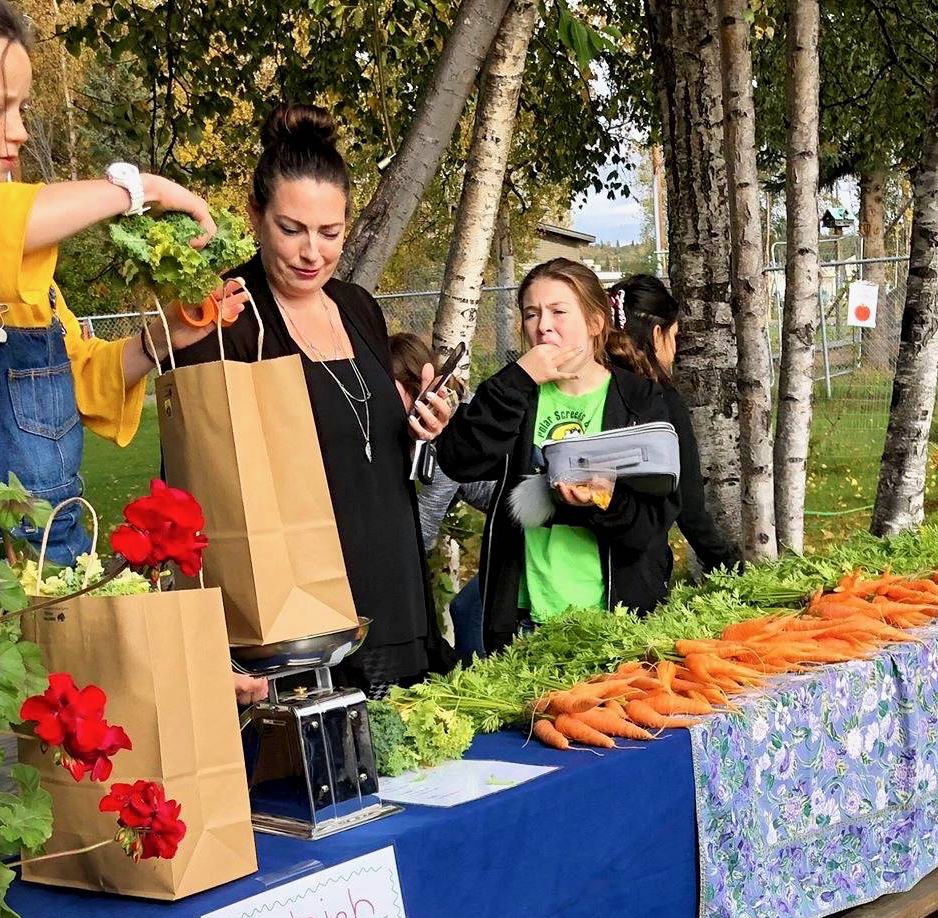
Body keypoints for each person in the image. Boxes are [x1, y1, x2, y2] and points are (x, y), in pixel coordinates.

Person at [0, 0, 231, 565]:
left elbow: (80, 377)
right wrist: (136, 187)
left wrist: (163, 338)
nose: (21, 131)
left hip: (58, 529)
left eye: (22, 109)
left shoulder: (18, 257)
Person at [167, 105, 455, 697]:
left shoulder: (357, 306)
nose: (311, 253)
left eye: (330, 233)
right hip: (295, 623)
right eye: (291, 229)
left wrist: (420, 424)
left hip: (393, 589)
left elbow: (368, 441)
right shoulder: (223, 317)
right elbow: (197, 483)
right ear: (255, 216)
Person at [434, 259, 685, 655]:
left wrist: (604, 501)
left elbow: (652, 526)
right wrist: (517, 379)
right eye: (531, 314)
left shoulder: (640, 400)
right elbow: (458, 459)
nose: (543, 326)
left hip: (614, 619)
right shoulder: (517, 394)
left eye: (558, 312)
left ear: (595, 321)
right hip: (525, 620)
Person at [607, 274, 740, 574]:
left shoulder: (588, 391)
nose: (675, 350)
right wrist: (731, 569)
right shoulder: (661, 402)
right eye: (675, 336)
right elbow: (689, 508)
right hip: (637, 572)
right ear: (657, 335)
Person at [391, 331, 493, 665]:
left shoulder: (444, 430)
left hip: (529, 526)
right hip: (509, 519)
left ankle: (481, 691)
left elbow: (424, 528)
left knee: (467, 613)